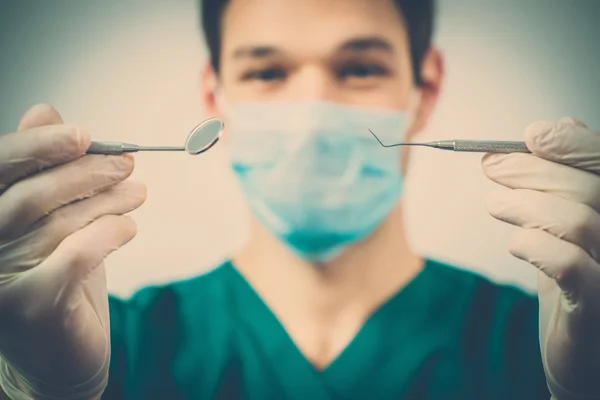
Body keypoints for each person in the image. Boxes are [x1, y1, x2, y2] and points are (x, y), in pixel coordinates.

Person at [1, 0, 599, 399]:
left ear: (426, 87)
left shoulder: (554, 343)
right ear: (216, 96)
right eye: (267, 73)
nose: (311, 114)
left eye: (359, 67)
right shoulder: (98, 348)